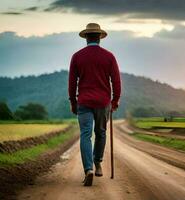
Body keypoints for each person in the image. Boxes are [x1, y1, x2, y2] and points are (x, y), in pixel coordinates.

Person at [68, 23, 121, 186]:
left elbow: (72, 83)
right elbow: (116, 81)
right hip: (103, 102)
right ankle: (97, 162)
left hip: (84, 101)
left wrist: (73, 102)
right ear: (99, 38)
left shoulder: (77, 56)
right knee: (101, 133)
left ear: (86, 38)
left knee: (85, 134)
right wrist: (115, 100)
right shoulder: (109, 56)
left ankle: (88, 169)